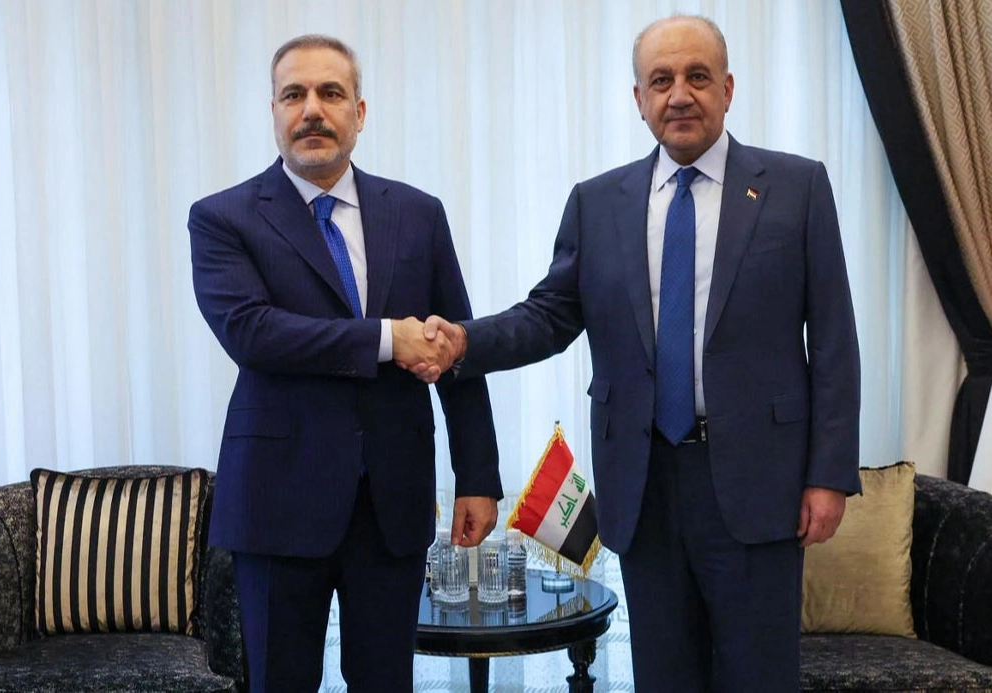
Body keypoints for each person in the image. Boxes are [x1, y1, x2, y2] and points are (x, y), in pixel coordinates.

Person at [415, 15, 861, 692]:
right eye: (660, 80)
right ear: (638, 99)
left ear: (727, 89)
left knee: (759, 677)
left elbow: (832, 338)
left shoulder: (795, 188)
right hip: (644, 484)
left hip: (757, 482)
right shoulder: (598, 203)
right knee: (664, 676)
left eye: (697, 77)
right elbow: (549, 316)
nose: (679, 94)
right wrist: (463, 341)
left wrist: (828, 475)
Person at [188, 35, 502, 692]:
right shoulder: (223, 218)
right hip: (276, 502)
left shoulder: (418, 214)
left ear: (359, 112)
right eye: (293, 94)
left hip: (392, 500)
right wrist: (387, 339)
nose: (312, 109)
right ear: (273, 112)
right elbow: (253, 333)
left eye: (330, 93)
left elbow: (454, 349)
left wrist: (477, 476)